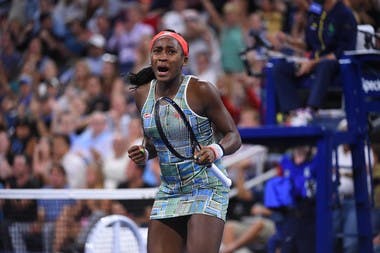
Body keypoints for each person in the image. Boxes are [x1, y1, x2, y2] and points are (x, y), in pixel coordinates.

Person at [127, 30, 242, 253]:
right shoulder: (142, 94)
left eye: (171, 52)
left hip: (207, 186)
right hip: (170, 189)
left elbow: (234, 136)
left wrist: (214, 150)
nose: (162, 57)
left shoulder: (201, 90)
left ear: (184, 60)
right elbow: (154, 139)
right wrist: (146, 152)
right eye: (157, 51)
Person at [272, 0, 357, 126]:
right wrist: (288, 40)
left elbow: (342, 52)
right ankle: (293, 112)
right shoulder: (316, 12)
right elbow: (309, 45)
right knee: (280, 67)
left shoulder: (344, 14)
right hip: (313, 62)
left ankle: (311, 111)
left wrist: (313, 63)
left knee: (325, 65)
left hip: (336, 66)